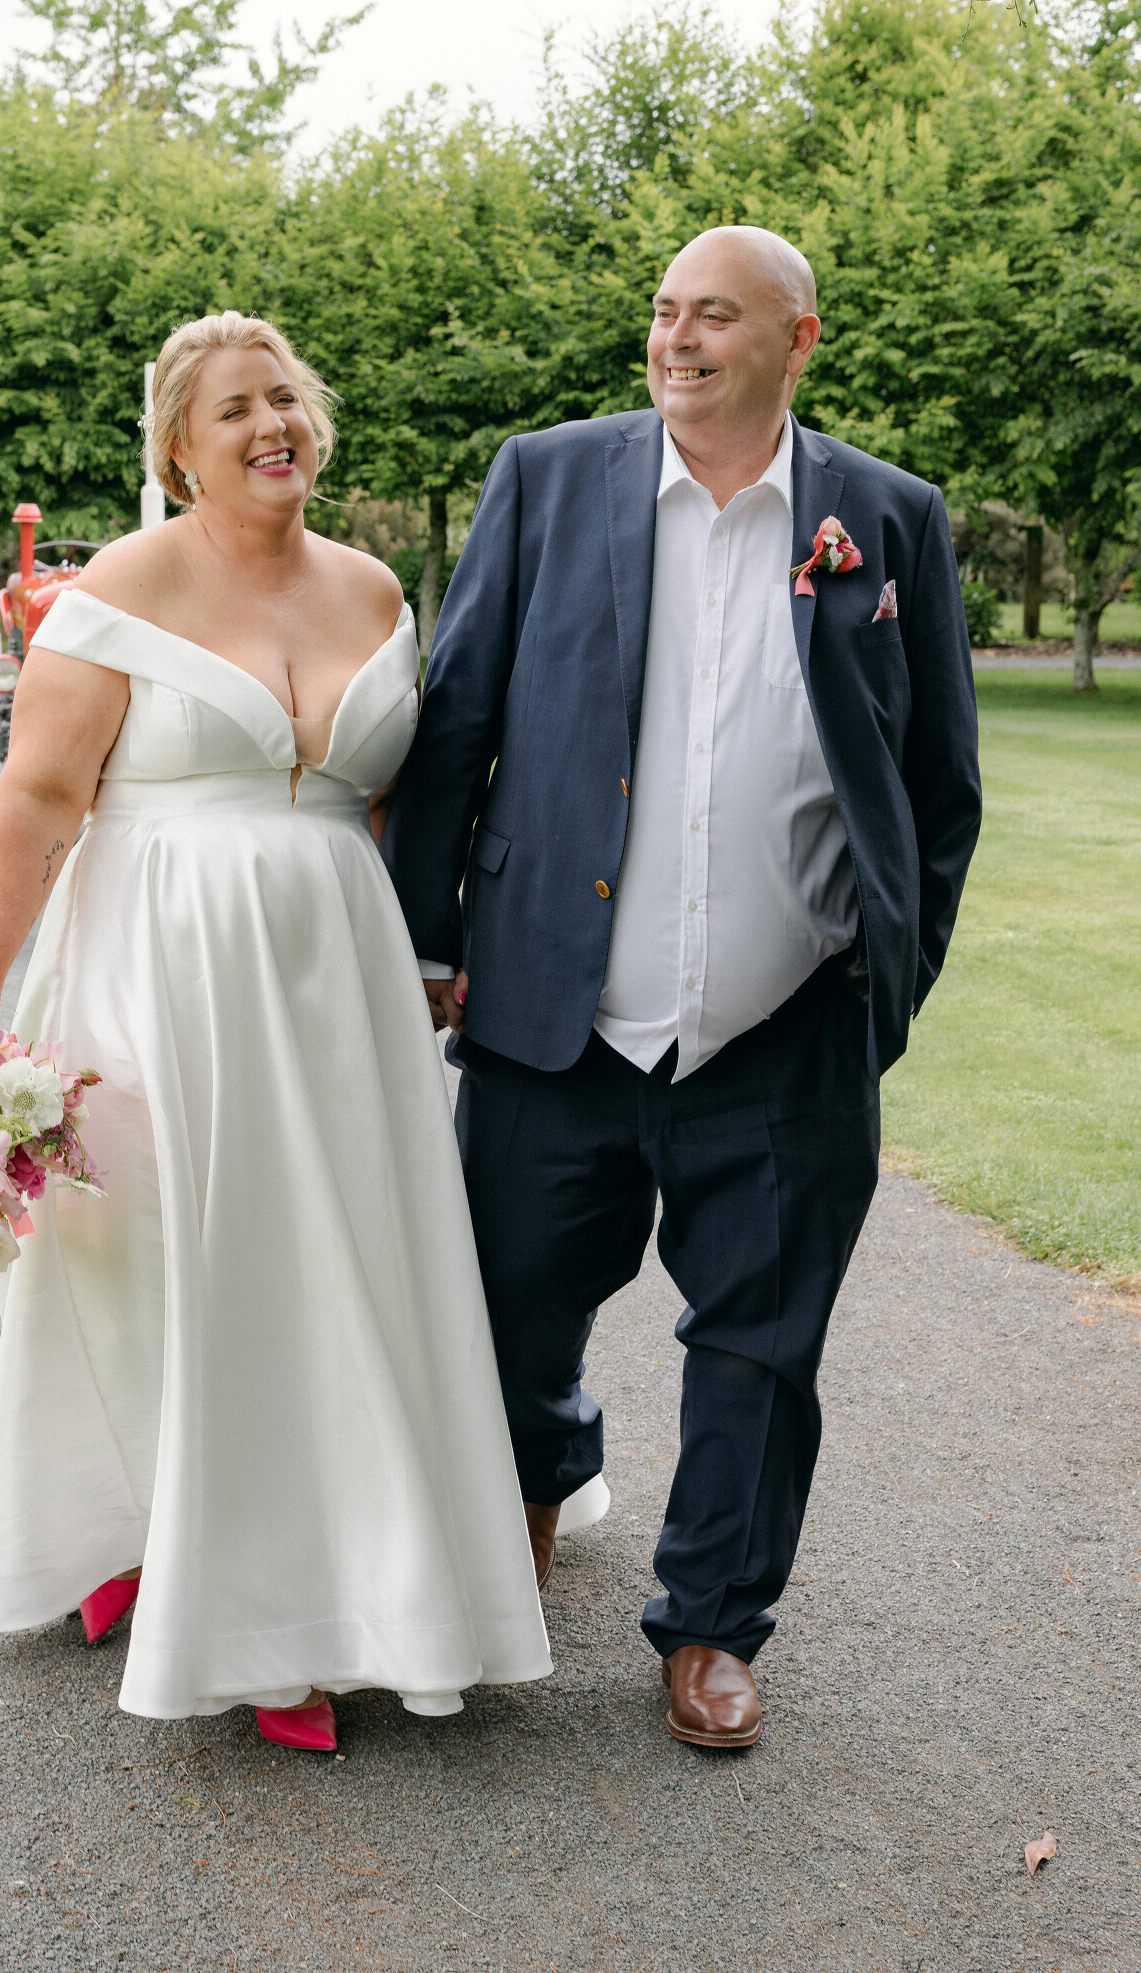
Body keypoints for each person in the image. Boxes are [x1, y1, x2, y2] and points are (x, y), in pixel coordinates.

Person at [383, 225, 981, 1750]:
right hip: (551, 1014)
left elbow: (936, 784)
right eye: (663, 313)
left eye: (714, 315)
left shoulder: (885, 519)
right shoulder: (547, 478)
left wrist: (883, 982)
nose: (678, 338)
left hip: (788, 1026)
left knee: (760, 1349)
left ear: (797, 338)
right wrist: (429, 942)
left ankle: (712, 1624)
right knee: (512, 1307)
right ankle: (524, 1508)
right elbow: (455, 726)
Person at [0, 310, 551, 1751]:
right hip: (158, 958)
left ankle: (330, 1578)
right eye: (235, 409)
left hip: (337, 973)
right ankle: (184, 1565)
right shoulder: (119, 586)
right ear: (178, 449)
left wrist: (430, 950)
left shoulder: (373, 587)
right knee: (173, 1260)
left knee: (331, 1263)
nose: (272, 424)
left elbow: (397, 797)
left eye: (285, 399)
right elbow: (38, 797)